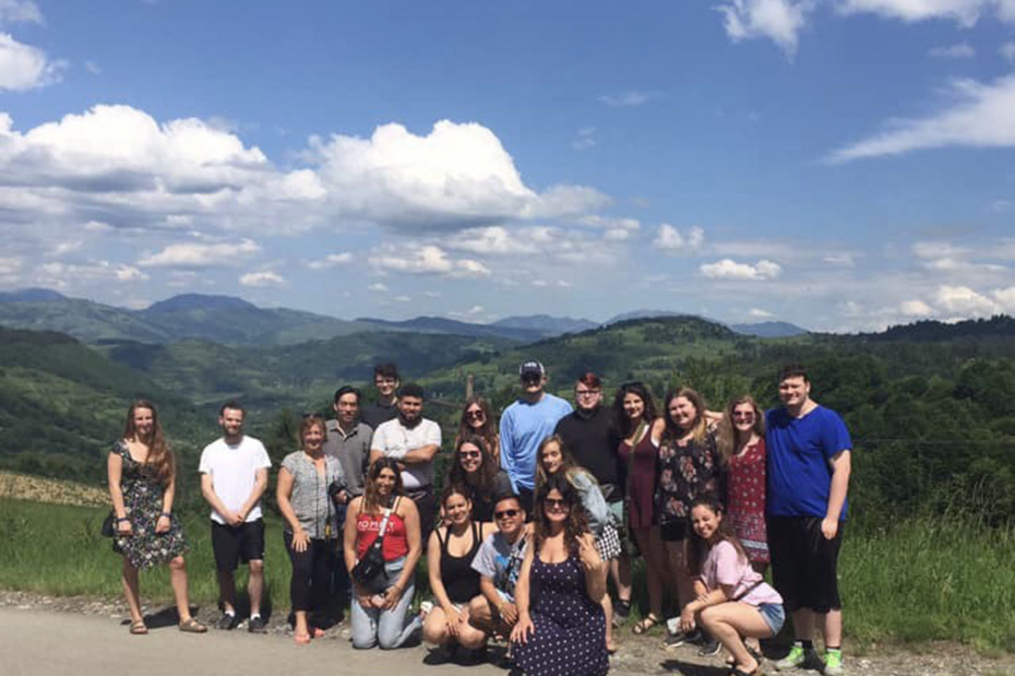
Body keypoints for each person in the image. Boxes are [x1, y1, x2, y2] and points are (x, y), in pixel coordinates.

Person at [767, 365, 852, 676]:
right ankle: (803, 648)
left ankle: (833, 654)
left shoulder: (828, 421)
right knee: (793, 588)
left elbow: (842, 468)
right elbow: (734, 417)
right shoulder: (773, 419)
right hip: (781, 518)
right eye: (784, 387)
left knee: (824, 587)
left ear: (807, 386)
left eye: (794, 386)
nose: (789, 392)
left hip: (819, 518)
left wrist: (831, 517)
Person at [107, 400, 207, 635]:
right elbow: (114, 484)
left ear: (154, 420)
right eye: (139, 418)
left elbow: (170, 485)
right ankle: (137, 618)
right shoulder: (119, 448)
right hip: (130, 512)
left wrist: (165, 514)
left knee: (178, 560)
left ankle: (184, 616)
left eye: (148, 418)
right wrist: (122, 517)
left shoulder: (163, 448)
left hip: (158, 511)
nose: (144, 423)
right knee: (131, 563)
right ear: (132, 420)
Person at [554, 372, 633, 624]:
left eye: (591, 392)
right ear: (574, 395)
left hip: (614, 491)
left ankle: (624, 601)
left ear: (600, 393)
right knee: (589, 547)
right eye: (581, 392)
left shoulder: (614, 418)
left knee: (620, 550)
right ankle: (597, 597)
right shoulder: (565, 424)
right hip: (582, 498)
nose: (586, 396)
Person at [510, 475, 609, 676]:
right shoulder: (536, 538)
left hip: (581, 623)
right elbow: (523, 584)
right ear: (542, 504)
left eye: (562, 502)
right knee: (524, 641)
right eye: (551, 501)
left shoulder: (583, 539)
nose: (556, 507)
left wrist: (596, 568)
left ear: (571, 505)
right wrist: (523, 615)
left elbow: (597, 596)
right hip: (545, 619)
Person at [679, 497, 785, 676]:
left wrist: (691, 606)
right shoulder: (704, 549)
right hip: (745, 607)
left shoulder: (725, 548)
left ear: (718, 516)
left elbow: (723, 593)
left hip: (767, 611)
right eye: (696, 521)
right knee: (703, 613)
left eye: (706, 519)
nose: (701, 525)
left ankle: (747, 662)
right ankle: (742, 656)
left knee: (709, 615)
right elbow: (698, 581)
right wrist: (698, 602)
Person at [536, 434, 621, 652]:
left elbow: (599, 513)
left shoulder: (577, 477)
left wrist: (589, 537)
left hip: (596, 533)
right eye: (545, 455)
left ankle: (607, 639)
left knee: (598, 587)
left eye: (554, 454)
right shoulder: (547, 482)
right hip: (572, 535)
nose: (549, 460)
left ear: (563, 455)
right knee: (581, 587)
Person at [656, 387, 725, 653]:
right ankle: (690, 626)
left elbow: (750, 417)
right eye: (673, 408)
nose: (679, 412)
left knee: (706, 572)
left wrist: (709, 413)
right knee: (681, 570)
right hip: (671, 512)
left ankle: (713, 628)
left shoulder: (711, 432)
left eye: (684, 406)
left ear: (696, 407)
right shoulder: (666, 435)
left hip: (704, 515)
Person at [198, 401, 271, 632]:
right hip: (221, 519)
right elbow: (206, 487)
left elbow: (262, 481)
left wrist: (244, 510)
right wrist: (225, 513)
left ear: (243, 421)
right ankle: (229, 610)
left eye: (237, 420)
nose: (233, 423)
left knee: (257, 565)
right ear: (221, 420)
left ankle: (255, 614)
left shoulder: (255, 446)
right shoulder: (211, 450)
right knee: (225, 568)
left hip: (251, 517)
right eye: (229, 419)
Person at [276, 415, 345, 644]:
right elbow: (282, 497)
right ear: (302, 436)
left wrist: (342, 496)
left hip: (327, 530)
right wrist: (296, 528)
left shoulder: (333, 462)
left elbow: (338, 491)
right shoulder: (292, 461)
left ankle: (313, 617)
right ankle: (300, 621)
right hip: (301, 529)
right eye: (309, 434)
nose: (314, 438)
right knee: (303, 571)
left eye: (317, 433)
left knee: (322, 577)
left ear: (323, 435)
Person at [344, 458, 423, 650]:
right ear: (372, 478)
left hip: (396, 573)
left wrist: (398, 587)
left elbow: (416, 549)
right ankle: (382, 619)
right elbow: (349, 547)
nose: (386, 483)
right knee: (362, 642)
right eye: (381, 477)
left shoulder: (405, 505)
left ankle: (418, 620)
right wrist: (359, 586)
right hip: (366, 575)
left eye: (391, 478)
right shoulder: (357, 505)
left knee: (388, 641)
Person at [612, 381, 669, 635]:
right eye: (627, 402)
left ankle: (679, 609)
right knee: (649, 561)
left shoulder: (657, 425)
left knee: (664, 560)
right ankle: (656, 610)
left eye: (636, 401)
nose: (632, 406)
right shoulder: (622, 430)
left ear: (645, 402)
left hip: (654, 502)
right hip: (633, 503)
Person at [422, 486, 496, 657]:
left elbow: (515, 524)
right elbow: (435, 578)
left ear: (469, 505)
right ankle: (451, 641)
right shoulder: (438, 536)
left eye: (460, 505)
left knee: (470, 637)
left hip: (475, 604)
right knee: (432, 632)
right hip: (449, 601)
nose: (457, 511)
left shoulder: (484, 531)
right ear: (445, 511)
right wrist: (448, 609)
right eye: (451, 507)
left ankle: (477, 642)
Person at [370, 382, 442, 543]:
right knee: (390, 542)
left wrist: (390, 456)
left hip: (422, 496)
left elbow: (426, 456)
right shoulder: (384, 429)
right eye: (407, 403)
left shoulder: (431, 427)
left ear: (422, 405)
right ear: (400, 403)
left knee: (421, 544)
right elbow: (375, 462)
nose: (411, 408)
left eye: (416, 404)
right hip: (390, 496)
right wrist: (411, 458)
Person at [500, 360, 573, 512]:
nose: (532, 381)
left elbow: (570, 445)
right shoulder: (510, 414)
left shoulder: (562, 407)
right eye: (527, 378)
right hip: (523, 488)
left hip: (556, 484)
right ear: (521, 381)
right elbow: (507, 455)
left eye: (536, 377)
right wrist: (513, 489)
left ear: (544, 379)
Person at [323, 385, 373, 602]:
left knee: (353, 548)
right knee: (329, 548)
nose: (348, 409)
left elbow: (370, 467)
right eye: (344, 404)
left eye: (352, 405)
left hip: (357, 499)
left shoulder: (366, 432)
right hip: (327, 500)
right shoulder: (324, 430)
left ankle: (349, 592)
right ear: (335, 406)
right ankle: (329, 593)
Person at [716, 395, 769, 572]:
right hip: (733, 515)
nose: (743, 417)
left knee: (755, 573)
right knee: (733, 569)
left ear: (757, 415)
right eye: (737, 413)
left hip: (759, 516)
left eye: (748, 413)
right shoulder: (728, 445)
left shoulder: (766, 444)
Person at [469, 493, 529, 642]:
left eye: (511, 512)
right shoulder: (491, 542)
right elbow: (486, 582)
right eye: (500, 514)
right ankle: (511, 637)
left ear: (523, 515)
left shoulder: (534, 541)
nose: (506, 517)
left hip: (530, 600)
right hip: (507, 597)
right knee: (476, 607)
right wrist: (502, 605)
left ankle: (521, 638)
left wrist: (522, 610)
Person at [447, 434, 513, 522]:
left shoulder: (499, 479)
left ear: (482, 455)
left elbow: (506, 514)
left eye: (474, 454)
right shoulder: (453, 478)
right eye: (463, 454)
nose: (468, 458)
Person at [456, 396, 501, 462]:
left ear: (486, 414)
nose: (474, 416)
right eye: (469, 414)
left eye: (478, 413)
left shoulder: (496, 440)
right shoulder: (460, 439)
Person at [361, 362, 400, 430]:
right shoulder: (367, 413)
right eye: (380, 382)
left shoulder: (404, 410)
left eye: (389, 381)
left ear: (396, 383)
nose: (384, 385)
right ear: (375, 384)